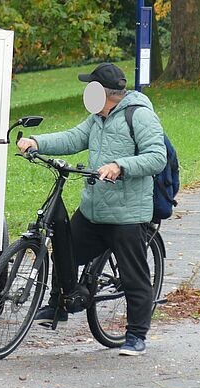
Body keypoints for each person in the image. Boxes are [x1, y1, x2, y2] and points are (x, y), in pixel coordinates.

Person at [17, 62, 166, 356]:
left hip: (127, 214)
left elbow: (156, 157)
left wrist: (119, 166)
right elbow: (73, 138)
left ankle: (137, 335)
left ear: (103, 92)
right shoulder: (97, 118)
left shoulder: (140, 115)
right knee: (64, 250)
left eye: (90, 87)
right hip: (94, 210)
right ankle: (57, 305)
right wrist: (37, 141)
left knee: (133, 275)